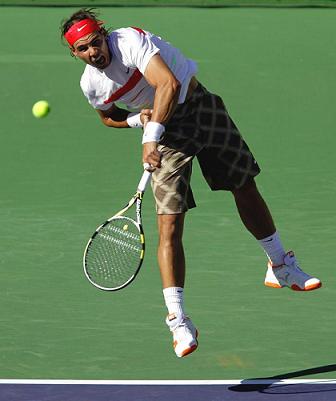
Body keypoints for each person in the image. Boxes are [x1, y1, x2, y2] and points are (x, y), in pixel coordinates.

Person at [61, 8, 322, 358]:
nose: (94, 51)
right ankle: (178, 319)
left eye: (95, 42)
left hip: (198, 106)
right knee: (169, 225)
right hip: (167, 137)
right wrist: (138, 120)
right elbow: (109, 117)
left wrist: (150, 137)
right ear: (75, 54)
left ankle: (280, 265)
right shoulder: (91, 84)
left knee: (243, 184)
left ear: (104, 35)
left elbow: (166, 83)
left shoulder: (129, 40)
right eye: (83, 49)